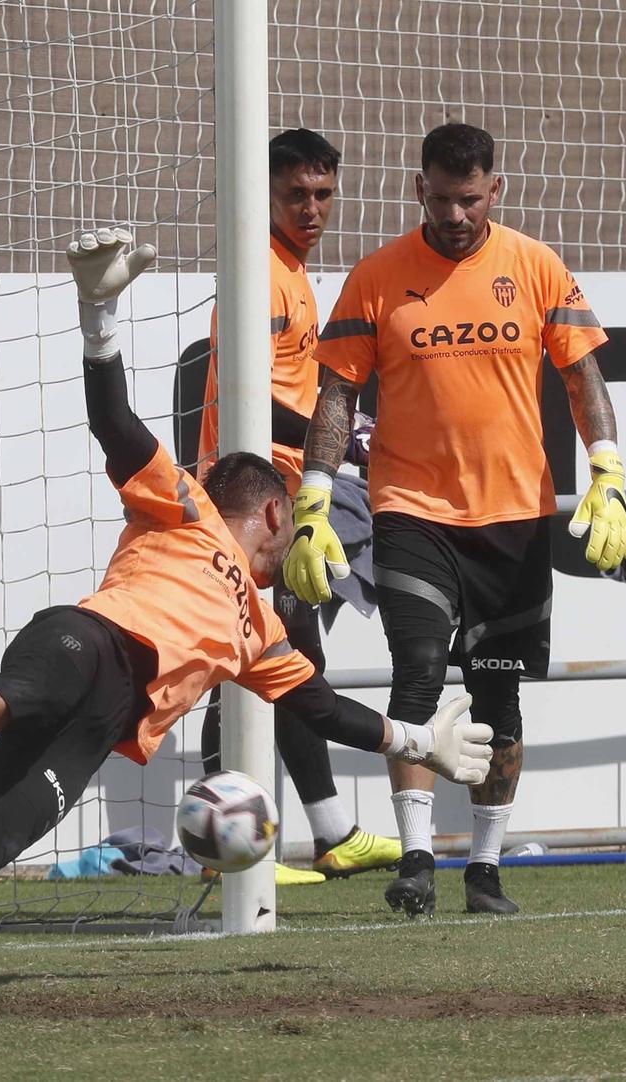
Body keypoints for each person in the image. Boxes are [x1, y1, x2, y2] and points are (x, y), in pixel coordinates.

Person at [0, 228, 493, 988]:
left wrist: (419, 742)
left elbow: (322, 710)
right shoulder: (187, 505)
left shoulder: (261, 631)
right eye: (293, 523)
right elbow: (116, 424)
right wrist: (99, 317)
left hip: (110, 719)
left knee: (10, 818)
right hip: (94, 640)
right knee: (16, 695)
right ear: (272, 512)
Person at [284, 122, 626, 917]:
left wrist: (609, 472)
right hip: (412, 511)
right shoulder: (377, 278)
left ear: (494, 191)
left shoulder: (536, 266)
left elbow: (582, 377)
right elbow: (337, 393)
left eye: (470, 200)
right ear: (420, 190)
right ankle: (415, 861)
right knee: (416, 669)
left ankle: (485, 869)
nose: (455, 215)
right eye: (441, 199)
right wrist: (314, 498)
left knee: (497, 697)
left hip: (514, 517)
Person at [190, 128, 398, 883]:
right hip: (248, 509)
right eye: (295, 195)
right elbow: (245, 397)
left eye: (323, 194)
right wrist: (339, 437)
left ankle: (329, 834)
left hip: (281, 502)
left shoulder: (292, 270)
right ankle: (227, 852)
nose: (312, 209)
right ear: (265, 194)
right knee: (256, 663)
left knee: (282, 661)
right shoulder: (259, 276)